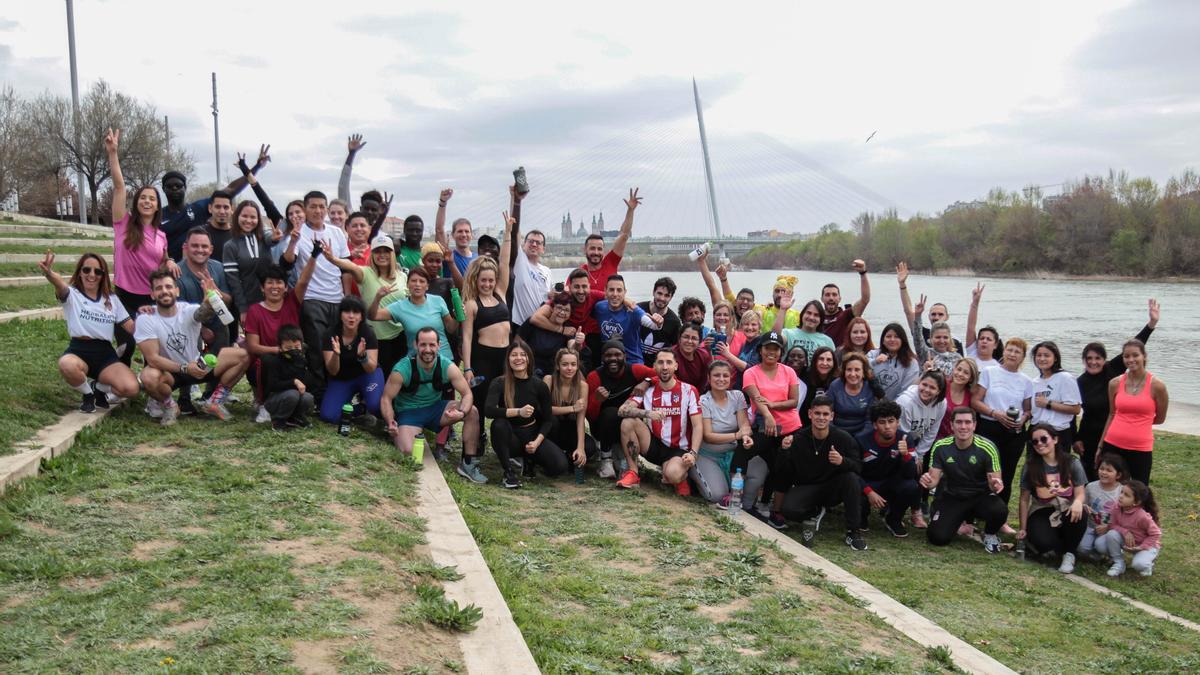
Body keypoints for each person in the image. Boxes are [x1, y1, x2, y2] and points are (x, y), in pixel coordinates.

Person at [104, 128, 179, 368]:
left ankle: (152, 393)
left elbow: (164, 259)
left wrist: (170, 261)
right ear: (137, 203)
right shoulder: (123, 223)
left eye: (152, 199)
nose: (147, 201)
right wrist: (113, 153)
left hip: (150, 296)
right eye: (143, 198)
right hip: (124, 295)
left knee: (150, 349)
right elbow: (118, 187)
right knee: (125, 345)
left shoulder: (161, 235)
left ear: (158, 206)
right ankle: (118, 385)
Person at [135, 271, 250, 424]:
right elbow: (153, 359)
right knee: (148, 376)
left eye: (169, 286)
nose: (164, 291)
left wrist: (210, 300)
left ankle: (214, 402)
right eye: (159, 288)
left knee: (242, 355)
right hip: (171, 372)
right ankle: (170, 406)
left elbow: (202, 312)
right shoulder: (145, 319)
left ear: (177, 291)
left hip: (199, 365)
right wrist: (185, 368)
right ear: (152, 294)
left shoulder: (188, 310)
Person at [40, 251, 140, 411]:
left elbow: (131, 327)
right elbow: (60, 284)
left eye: (97, 271)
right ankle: (88, 394)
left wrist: (153, 326)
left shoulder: (112, 299)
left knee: (131, 388)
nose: (91, 275)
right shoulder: (72, 294)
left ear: (103, 275)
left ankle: (98, 387)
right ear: (80, 272)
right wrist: (49, 273)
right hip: (79, 350)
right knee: (66, 364)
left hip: (105, 355)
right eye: (86, 270)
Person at [768, 396, 866, 550]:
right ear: (809, 414)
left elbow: (859, 467)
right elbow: (782, 470)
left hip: (833, 488)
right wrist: (784, 451)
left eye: (825, 414)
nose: (821, 417)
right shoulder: (799, 438)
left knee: (851, 478)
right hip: (807, 487)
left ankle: (854, 532)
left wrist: (842, 461)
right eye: (817, 413)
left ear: (832, 416)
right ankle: (815, 511)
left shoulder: (843, 438)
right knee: (789, 510)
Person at [1076, 300, 1158, 480]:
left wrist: (1151, 325)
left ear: (1105, 360)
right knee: (1094, 478)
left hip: (1115, 433)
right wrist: (1076, 438)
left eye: (1098, 358)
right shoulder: (1080, 382)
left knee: (1123, 478)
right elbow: (1078, 412)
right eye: (1088, 358)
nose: (1093, 362)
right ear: (1083, 360)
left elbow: (1135, 349)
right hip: (1089, 435)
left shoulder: (1112, 370)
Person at [280, 191, 353, 386]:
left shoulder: (336, 232)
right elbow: (287, 263)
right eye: (313, 206)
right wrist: (293, 241)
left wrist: (347, 296)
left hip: (336, 299)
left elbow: (345, 267)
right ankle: (318, 392)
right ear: (305, 209)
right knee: (317, 347)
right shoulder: (298, 234)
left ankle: (336, 388)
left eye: (322, 206)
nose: (318, 211)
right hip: (312, 299)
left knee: (337, 346)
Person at [381, 328, 480, 466]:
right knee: (409, 453)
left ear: (439, 346)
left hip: (435, 410)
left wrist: (461, 412)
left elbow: (467, 394)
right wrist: (390, 420)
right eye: (423, 345)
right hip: (409, 412)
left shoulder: (447, 366)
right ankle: (404, 433)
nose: (427, 349)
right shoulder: (402, 368)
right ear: (416, 345)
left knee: (472, 412)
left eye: (432, 345)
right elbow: (386, 398)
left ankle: (469, 463)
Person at [920, 407, 1007, 552]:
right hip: (953, 496)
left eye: (967, 422)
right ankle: (954, 521)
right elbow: (933, 480)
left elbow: (995, 484)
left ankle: (990, 534)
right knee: (937, 538)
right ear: (952, 425)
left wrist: (995, 485)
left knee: (1000, 511)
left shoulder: (988, 447)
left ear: (974, 425)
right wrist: (927, 481)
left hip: (980, 496)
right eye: (959, 422)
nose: (963, 426)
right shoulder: (941, 446)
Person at [616, 349, 703, 494]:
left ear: (676, 366)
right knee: (627, 422)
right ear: (654, 366)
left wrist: (693, 453)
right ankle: (633, 473)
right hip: (654, 444)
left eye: (669, 362)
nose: (664, 367)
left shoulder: (689, 391)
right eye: (660, 362)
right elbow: (622, 410)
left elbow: (698, 425)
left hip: (678, 449)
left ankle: (679, 476)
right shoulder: (647, 389)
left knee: (673, 475)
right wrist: (647, 413)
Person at [322, 233, 409, 374]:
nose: (382, 255)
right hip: (377, 338)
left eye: (386, 251)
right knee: (382, 375)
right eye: (378, 252)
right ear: (372, 254)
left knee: (400, 374)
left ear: (392, 254)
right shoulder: (366, 273)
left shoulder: (402, 275)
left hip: (400, 334)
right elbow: (350, 266)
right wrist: (333, 259)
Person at [243, 261, 317, 423]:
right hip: (268, 363)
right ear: (262, 288)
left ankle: (294, 405)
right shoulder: (255, 310)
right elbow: (253, 346)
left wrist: (314, 256)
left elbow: (303, 281)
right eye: (269, 282)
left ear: (285, 287)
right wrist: (280, 351)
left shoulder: (292, 301)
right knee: (268, 360)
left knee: (304, 358)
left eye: (279, 282)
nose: (274, 286)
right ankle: (264, 404)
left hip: (293, 360)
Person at [161, 146, 265, 261]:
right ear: (163, 189)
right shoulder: (158, 216)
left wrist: (257, 167)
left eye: (178, 186)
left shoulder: (197, 209)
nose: (174, 189)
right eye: (170, 186)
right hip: (170, 270)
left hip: (197, 268)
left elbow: (230, 190)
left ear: (185, 187)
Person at [486, 340, 565, 488]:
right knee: (499, 424)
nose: (518, 358)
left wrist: (537, 442)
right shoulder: (499, 382)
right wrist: (518, 412)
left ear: (529, 359)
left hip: (532, 434)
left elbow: (548, 420)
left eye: (523, 355)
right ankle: (508, 472)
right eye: (514, 355)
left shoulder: (539, 385)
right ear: (508, 359)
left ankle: (531, 459)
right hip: (510, 436)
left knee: (559, 466)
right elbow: (489, 410)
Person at [740, 331, 803, 512]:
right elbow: (756, 397)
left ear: (781, 352)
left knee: (782, 467)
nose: (771, 352)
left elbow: (794, 401)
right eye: (768, 348)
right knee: (750, 454)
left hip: (790, 427)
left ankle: (770, 506)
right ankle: (739, 496)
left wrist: (773, 405)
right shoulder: (751, 372)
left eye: (776, 349)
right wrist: (768, 416)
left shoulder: (788, 371)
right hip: (766, 427)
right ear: (761, 350)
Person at [973, 337, 1034, 516]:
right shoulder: (989, 372)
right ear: (1003, 351)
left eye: (1017, 352)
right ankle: (975, 512)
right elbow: (976, 401)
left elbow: (1028, 410)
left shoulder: (1026, 381)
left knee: (1006, 473)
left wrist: (1023, 419)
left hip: (1013, 432)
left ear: (1022, 357)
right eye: (1010, 350)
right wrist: (995, 413)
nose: (1012, 354)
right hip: (989, 426)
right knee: (982, 470)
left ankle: (1000, 515)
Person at [1016, 424, 1088, 573]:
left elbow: (1080, 492)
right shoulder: (1030, 465)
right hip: (1042, 509)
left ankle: (1070, 553)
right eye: (1035, 441)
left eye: (1044, 439)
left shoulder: (1072, 462)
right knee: (1044, 542)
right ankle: (1059, 545)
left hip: (1067, 507)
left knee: (1081, 512)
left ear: (1055, 439)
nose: (1040, 444)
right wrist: (1022, 528)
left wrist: (1078, 502)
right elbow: (1024, 499)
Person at [1100, 339, 1168, 485]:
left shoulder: (1157, 386)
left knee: (1139, 489)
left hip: (1140, 447)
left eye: (1135, 355)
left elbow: (1160, 418)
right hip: (1112, 443)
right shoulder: (1114, 383)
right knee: (1110, 486)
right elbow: (1112, 414)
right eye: (1126, 356)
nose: (1131, 359)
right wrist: (1101, 445)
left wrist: (1138, 423)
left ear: (1144, 356)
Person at [586, 340, 655, 479]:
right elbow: (590, 416)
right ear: (602, 358)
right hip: (603, 427)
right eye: (608, 355)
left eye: (617, 354)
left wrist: (646, 382)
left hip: (627, 427)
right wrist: (597, 400)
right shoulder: (594, 377)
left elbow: (661, 375)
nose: (613, 358)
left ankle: (625, 459)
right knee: (611, 412)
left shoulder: (635, 370)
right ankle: (605, 459)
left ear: (624, 356)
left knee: (628, 417)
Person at [691, 360, 754, 508]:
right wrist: (737, 436)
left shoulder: (737, 396)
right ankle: (692, 476)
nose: (721, 379)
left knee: (755, 477)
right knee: (717, 495)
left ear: (731, 378)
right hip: (707, 455)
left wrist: (745, 436)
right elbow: (708, 435)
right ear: (709, 378)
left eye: (725, 375)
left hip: (732, 455)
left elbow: (744, 424)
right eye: (716, 375)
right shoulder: (703, 401)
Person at [856, 400, 920, 538]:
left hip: (892, 483)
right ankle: (861, 516)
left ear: (898, 422)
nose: (887, 426)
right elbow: (853, 472)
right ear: (874, 424)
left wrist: (906, 455)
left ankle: (893, 519)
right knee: (853, 486)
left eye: (891, 421)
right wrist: (869, 492)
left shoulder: (905, 439)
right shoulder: (861, 440)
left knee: (911, 486)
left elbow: (911, 474)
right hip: (868, 484)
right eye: (882, 422)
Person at [319, 297, 384, 426]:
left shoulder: (368, 332)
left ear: (361, 316)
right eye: (347, 312)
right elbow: (332, 370)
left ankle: (367, 406)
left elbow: (371, 368)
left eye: (356, 312)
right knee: (329, 416)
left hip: (366, 374)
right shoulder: (330, 334)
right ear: (340, 315)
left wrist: (362, 356)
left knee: (376, 406)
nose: (351, 316)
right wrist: (336, 355)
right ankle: (358, 411)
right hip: (342, 377)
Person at [368, 267, 457, 362]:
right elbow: (373, 316)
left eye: (422, 281)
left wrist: (456, 317)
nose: (417, 284)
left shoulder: (438, 301)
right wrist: (378, 298)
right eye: (413, 281)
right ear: (407, 284)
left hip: (444, 358)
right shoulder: (400, 307)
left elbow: (451, 329)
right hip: (417, 360)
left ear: (427, 286)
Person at [177, 227, 236, 354]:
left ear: (211, 249)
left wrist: (216, 291)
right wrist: (202, 330)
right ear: (186, 248)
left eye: (204, 246)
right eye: (195, 246)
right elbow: (177, 314)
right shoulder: (177, 274)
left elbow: (229, 301)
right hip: (189, 328)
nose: (200, 250)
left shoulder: (218, 267)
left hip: (217, 325)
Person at [898, 263, 961, 378]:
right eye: (933, 314)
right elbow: (909, 314)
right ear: (930, 339)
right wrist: (902, 285)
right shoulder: (925, 348)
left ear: (947, 316)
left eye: (940, 314)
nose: (936, 317)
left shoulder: (957, 353)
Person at [543, 348, 597, 476]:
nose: (569, 368)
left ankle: (569, 456)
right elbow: (544, 410)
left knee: (590, 447)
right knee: (552, 420)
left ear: (578, 366)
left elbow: (580, 418)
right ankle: (550, 457)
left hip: (569, 429)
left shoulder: (582, 385)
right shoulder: (549, 380)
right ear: (557, 366)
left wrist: (581, 447)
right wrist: (572, 408)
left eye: (573, 364)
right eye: (565, 364)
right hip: (549, 430)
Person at [1094, 480, 1161, 577]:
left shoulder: (1142, 516)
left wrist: (1141, 547)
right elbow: (1112, 524)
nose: (1121, 496)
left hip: (1145, 545)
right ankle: (1119, 563)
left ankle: (1147, 565)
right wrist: (1125, 532)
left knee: (1138, 564)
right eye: (1121, 492)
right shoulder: (1116, 507)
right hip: (1127, 541)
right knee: (1102, 543)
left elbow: (1156, 534)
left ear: (1136, 502)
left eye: (1126, 495)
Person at [592, 274, 661, 365]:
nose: (615, 294)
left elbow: (654, 325)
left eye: (619, 290)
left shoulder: (632, 310)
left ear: (625, 292)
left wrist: (659, 321)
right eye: (611, 290)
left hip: (632, 361)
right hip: (609, 361)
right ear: (605, 291)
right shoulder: (599, 307)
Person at [580, 188, 640, 291]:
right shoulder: (580, 273)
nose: (596, 252)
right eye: (592, 248)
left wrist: (630, 211)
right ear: (585, 250)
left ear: (603, 250)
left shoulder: (610, 262)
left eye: (599, 249)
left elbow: (624, 235)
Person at [222, 198, 274, 315]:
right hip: (248, 305)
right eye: (244, 216)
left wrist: (274, 237)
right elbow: (233, 281)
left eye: (253, 217)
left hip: (272, 301)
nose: (248, 220)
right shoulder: (230, 246)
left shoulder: (264, 240)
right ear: (237, 217)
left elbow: (272, 238)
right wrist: (243, 309)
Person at [260, 325, 318, 431]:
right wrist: (294, 382)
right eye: (289, 348)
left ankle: (296, 418)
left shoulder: (302, 360)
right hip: (274, 399)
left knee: (307, 397)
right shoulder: (273, 361)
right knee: (293, 394)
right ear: (280, 347)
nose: (294, 351)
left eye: (297, 347)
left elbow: (309, 382)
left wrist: (302, 367)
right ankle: (278, 422)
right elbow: (273, 385)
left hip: (294, 397)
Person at [1076, 453, 1129, 562]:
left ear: (1118, 475)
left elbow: (1126, 516)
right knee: (1082, 549)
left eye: (1109, 470)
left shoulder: (1122, 491)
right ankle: (1097, 554)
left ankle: (1114, 551)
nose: (1104, 472)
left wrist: (1108, 527)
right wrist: (1084, 507)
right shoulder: (1090, 487)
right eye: (1102, 469)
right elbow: (1082, 503)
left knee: (1101, 546)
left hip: (1110, 529)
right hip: (1091, 526)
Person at [1030, 341, 1083, 449]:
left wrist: (1048, 404)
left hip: (1058, 433)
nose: (1042, 359)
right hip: (1036, 431)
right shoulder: (1034, 382)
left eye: (1046, 355)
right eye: (1039, 355)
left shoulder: (1065, 378)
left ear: (1055, 358)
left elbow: (1076, 409)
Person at [520, 292, 580, 377]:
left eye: (566, 310)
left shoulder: (568, 329)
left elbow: (572, 348)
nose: (562, 312)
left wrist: (577, 342)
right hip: (528, 368)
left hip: (552, 374)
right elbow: (517, 343)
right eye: (559, 308)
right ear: (552, 308)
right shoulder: (536, 322)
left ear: (570, 314)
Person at [896, 369, 948, 459]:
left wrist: (919, 455)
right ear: (919, 383)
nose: (926, 390)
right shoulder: (905, 402)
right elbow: (902, 434)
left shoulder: (941, 403)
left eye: (932, 387)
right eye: (924, 384)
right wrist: (912, 456)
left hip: (916, 441)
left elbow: (932, 431)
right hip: (898, 442)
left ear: (939, 391)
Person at [825, 352, 880, 437]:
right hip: (836, 433)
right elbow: (827, 414)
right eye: (849, 369)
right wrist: (835, 435)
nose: (853, 374)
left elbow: (870, 421)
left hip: (862, 436)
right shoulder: (835, 386)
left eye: (857, 370)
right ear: (844, 371)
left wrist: (858, 439)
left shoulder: (870, 388)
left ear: (864, 372)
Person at [818, 259, 871, 345]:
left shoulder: (846, 316)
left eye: (834, 295)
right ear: (822, 299)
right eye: (827, 295)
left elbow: (865, 299)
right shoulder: (816, 318)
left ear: (840, 299)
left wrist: (863, 273)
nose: (831, 298)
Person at [868, 322, 920, 401]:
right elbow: (860, 366)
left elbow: (906, 391)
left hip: (895, 408)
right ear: (883, 340)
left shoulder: (911, 363)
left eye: (896, 337)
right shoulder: (873, 354)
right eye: (888, 336)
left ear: (903, 340)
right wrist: (874, 362)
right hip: (869, 405)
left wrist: (892, 407)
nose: (892, 340)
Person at [433, 188, 477, 278]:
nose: (464, 235)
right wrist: (442, 203)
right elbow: (439, 230)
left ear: (471, 235)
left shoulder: (478, 259)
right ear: (453, 235)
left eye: (467, 231)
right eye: (460, 231)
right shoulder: (448, 256)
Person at [776, 296, 834, 362]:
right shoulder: (788, 334)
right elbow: (774, 337)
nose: (811, 317)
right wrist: (783, 309)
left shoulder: (827, 341)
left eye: (816, 315)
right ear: (802, 315)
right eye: (809, 313)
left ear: (821, 319)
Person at [637, 277, 681, 362]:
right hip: (636, 362)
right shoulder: (639, 309)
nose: (662, 298)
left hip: (659, 368)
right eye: (659, 293)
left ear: (671, 298)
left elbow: (676, 350)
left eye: (667, 295)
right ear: (653, 292)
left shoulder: (674, 322)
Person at [939, 358, 979, 438]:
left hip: (956, 440)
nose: (960, 374)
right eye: (959, 369)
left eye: (966, 373)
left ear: (971, 378)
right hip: (933, 436)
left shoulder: (970, 396)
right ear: (954, 370)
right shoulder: (942, 383)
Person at [963, 284, 1001, 370]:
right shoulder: (972, 353)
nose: (984, 341)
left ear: (995, 345)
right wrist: (975, 303)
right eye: (982, 338)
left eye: (989, 339)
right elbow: (970, 327)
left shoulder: (997, 367)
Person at [671, 322, 712, 393]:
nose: (689, 341)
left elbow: (705, 382)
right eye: (686, 337)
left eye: (694, 338)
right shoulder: (670, 355)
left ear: (699, 342)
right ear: (679, 338)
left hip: (697, 395)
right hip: (674, 394)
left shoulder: (704, 355)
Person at [801, 346, 838, 422]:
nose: (825, 363)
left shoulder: (838, 381)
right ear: (815, 361)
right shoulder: (804, 377)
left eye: (829, 360)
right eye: (821, 359)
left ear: (834, 363)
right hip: (804, 423)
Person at [202, 190, 235, 262]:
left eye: (226, 207)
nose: (222, 211)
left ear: (232, 209)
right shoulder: (199, 233)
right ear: (210, 208)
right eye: (217, 207)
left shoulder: (238, 235)